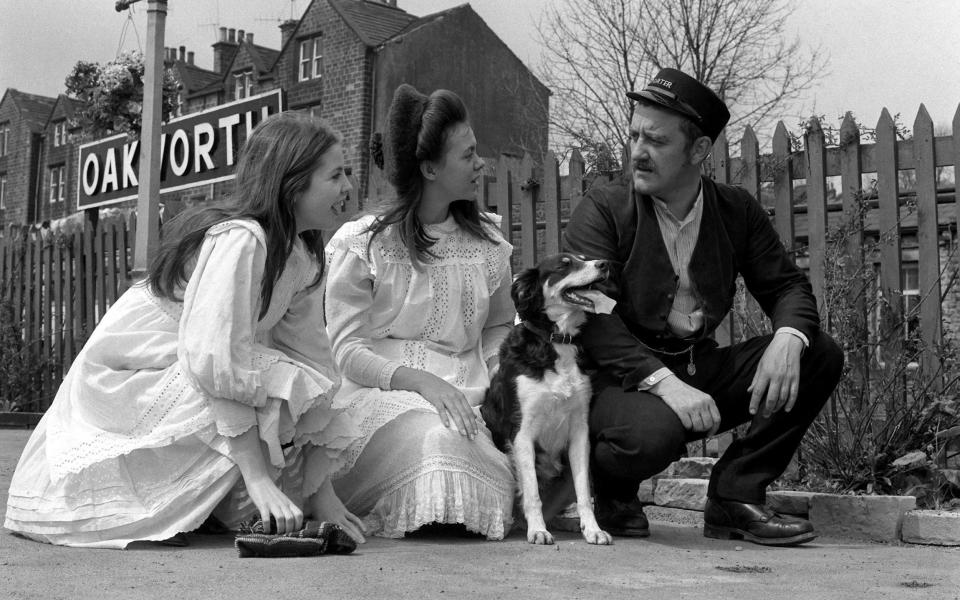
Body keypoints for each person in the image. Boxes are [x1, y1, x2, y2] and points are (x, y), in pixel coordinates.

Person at [4, 112, 366, 548]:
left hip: (198, 364)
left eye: (347, 172)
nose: (348, 186)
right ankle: (159, 502)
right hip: (136, 370)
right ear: (291, 184)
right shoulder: (242, 239)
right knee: (264, 387)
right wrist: (255, 474)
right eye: (335, 175)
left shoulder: (304, 255)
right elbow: (213, 359)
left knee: (286, 382)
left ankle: (212, 505)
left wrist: (318, 493)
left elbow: (311, 362)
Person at [563, 68, 844, 546]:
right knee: (653, 433)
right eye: (633, 135)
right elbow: (592, 315)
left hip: (697, 366)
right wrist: (665, 385)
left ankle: (735, 495)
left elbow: (788, 288)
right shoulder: (605, 207)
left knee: (819, 352)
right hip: (616, 378)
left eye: (655, 140)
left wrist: (787, 338)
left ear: (698, 151)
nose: (637, 152)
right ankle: (609, 491)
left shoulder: (736, 210)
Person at [324, 84, 515, 539]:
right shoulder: (365, 244)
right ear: (430, 168)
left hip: (470, 397)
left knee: (461, 436)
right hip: (382, 397)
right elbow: (346, 351)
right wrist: (425, 384)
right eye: (467, 155)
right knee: (438, 440)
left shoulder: (488, 243)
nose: (480, 162)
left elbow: (499, 325)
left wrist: (504, 376)